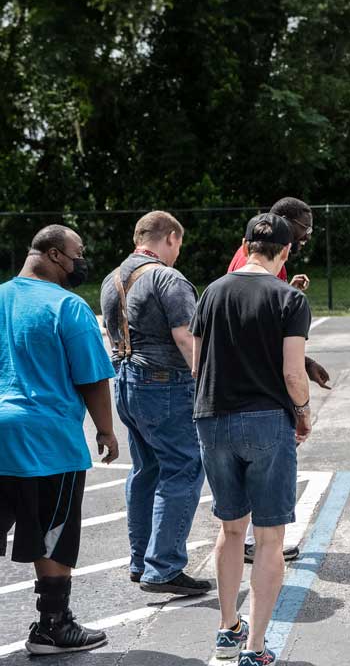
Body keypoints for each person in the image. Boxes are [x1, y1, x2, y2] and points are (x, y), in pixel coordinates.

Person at [191, 213, 312, 665]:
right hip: (264, 420)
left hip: (212, 417)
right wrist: (301, 413)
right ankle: (256, 648)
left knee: (229, 528)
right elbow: (292, 371)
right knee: (269, 538)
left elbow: (198, 364)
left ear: (245, 245)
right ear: (285, 252)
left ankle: (227, 629)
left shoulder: (213, 291)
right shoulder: (289, 298)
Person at [0, 224, 119, 654]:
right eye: (77, 253)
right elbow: (92, 377)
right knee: (53, 532)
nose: (80, 261)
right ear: (52, 254)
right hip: (47, 439)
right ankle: (52, 625)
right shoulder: (68, 307)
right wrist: (105, 430)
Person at [100, 211, 210, 595]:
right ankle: (163, 567)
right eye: (179, 244)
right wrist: (207, 382)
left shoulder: (111, 280)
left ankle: (140, 559)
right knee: (183, 467)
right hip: (164, 385)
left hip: (127, 383)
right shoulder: (168, 277)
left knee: (145, 469)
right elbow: (186, 338)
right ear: (171, 238)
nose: (179, 251)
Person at [228, 196, 329, 563]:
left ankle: (249, 538)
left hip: (241, 391)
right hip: (260, 391)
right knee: (264, 468)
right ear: (284, 224)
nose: (307, 236)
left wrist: (306, 360)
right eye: (304, 227)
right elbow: (261, 332)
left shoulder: (263, 267)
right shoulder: (253, 266)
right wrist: (301, 397)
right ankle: (259, 541)